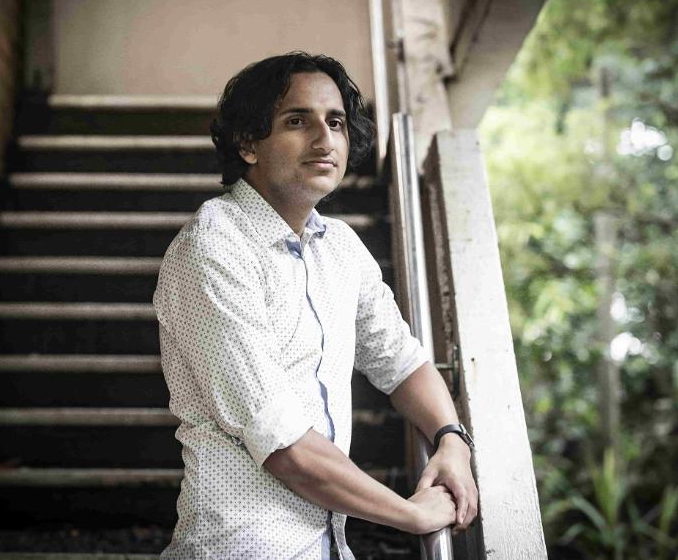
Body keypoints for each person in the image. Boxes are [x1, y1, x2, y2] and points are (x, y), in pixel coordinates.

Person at [153, 52, 477, 559]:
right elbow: (282, 443)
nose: (325, 140)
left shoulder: (341, 246)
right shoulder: (213, 246)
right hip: (243, 547)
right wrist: (410, 514)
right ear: (248, 144)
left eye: (336, 122)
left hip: (327, 546)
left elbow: (402, 361)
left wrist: (452, 438)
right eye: (297, 121)